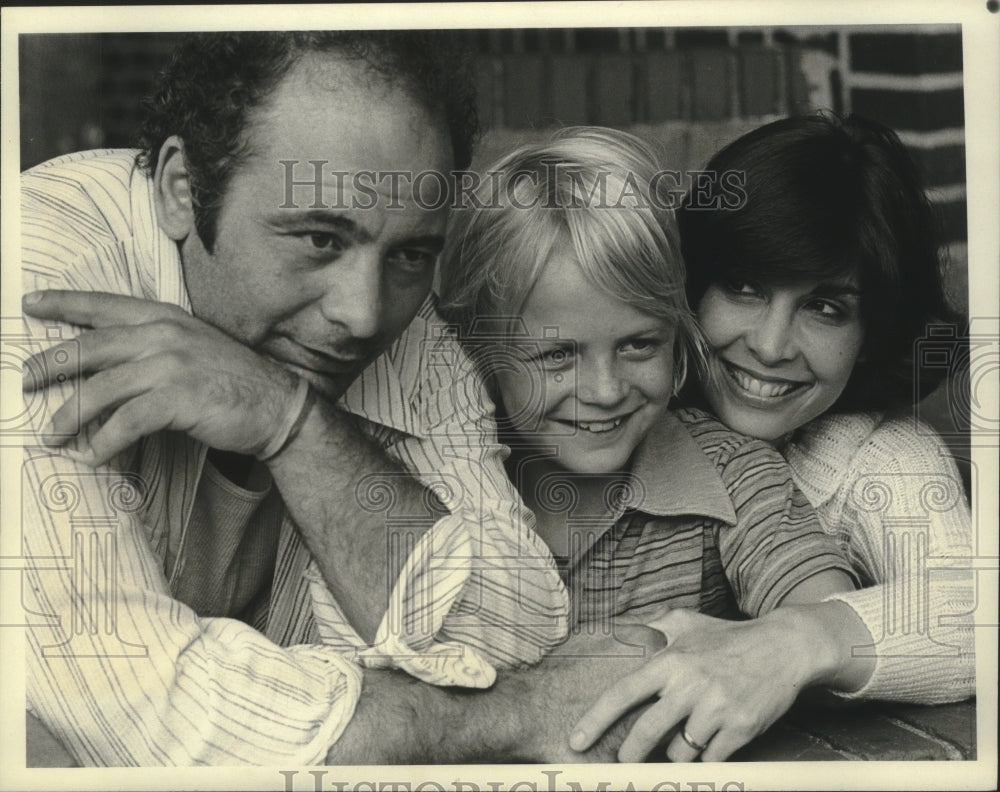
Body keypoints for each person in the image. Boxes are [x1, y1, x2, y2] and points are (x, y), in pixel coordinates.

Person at [18, 31, 664, 766]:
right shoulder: (37, 279)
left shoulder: (402, 314)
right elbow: (136, 711)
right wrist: (518, 714)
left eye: (412, 253)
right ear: (181, 189)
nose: (363, 315)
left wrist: (290, 421)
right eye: (321, 240)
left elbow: (512, 629)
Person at [436, 126, 865, 759]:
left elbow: (833, 618)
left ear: (678, 331)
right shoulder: (438, 475)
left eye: (640, 344)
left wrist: (767, 654)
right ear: (481, 350)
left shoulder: (734, 476)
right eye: (557, 354)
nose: (606, 390)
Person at [569, 112, 975, 761]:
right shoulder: (612, 403)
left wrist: (794, 641)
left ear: (874, 334)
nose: (769, 345)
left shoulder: (878, 458)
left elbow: (979, 613)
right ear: (690, 282)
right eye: (744, 286)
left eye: (825, 308)